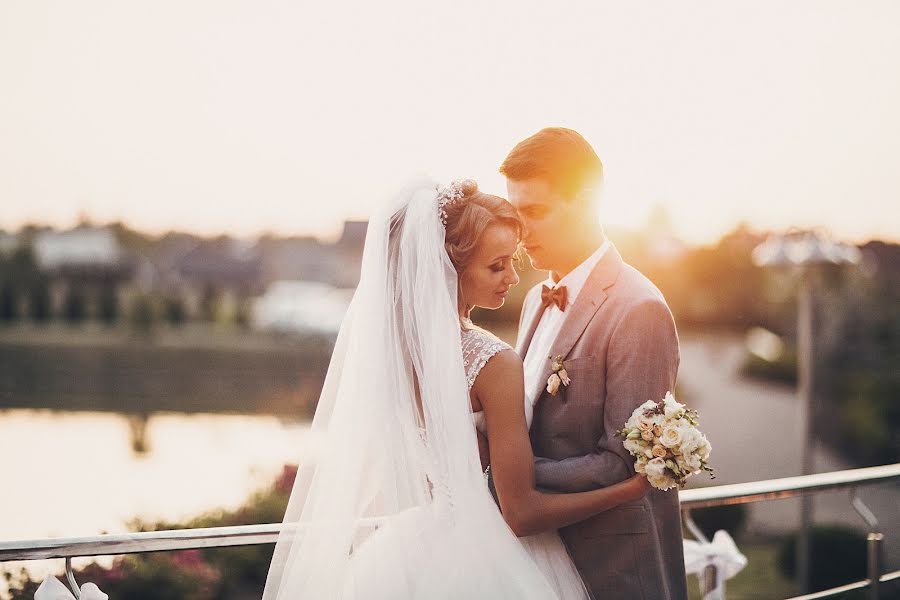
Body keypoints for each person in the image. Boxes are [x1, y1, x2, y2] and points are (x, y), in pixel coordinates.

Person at [263, 177, 649, 599]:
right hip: (488, 556)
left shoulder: (398, 353)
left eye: (512, 261)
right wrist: (627, 491)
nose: (513, 277)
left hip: (412, 546)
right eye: (496, 265)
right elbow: (520, 514)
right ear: (450, 267)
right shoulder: (493, 362)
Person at [500, 127, 688, 600]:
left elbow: (622, 463)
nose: (522, 232)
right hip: (539, 560)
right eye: (515, 214)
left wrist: (507, 472)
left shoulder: (637, 308)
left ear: (587, 200)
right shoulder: (533, 299)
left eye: (536, 212)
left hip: (610, 569)